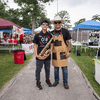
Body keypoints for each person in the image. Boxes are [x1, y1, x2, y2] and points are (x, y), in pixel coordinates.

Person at [50, 16, 72, 89]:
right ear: (54, 23)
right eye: (55, 22)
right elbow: (50, 44)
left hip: (63, 53)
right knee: (56, 68)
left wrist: (69, 51)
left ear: (61, 23)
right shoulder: (51, 32)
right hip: (55, 53)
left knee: (64, 68)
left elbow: (69, 42)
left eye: (59, 22)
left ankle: (65, 83)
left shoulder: (65, 31)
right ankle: (56, 81)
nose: (57, 24)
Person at [33, 20, 53, 90]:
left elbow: (52, 45)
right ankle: (38, 82)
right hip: (40, 55)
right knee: (38, 69)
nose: (45, 25)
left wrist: (49, 52)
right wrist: (36, 54)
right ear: (41, 25)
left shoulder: (50, 35)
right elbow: (35, 45)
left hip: (47, 56)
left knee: (47, 69)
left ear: (47, 26)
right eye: (43, 24)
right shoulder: (37, 35)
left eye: (46, 24)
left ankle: (47, 80)